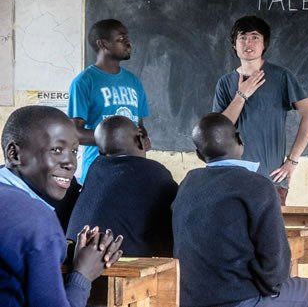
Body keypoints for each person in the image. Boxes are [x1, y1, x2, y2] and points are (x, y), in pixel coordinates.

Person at [172, 113, 308, 307]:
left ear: (199, 155)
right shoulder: (258, 184)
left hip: (190, 299)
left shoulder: (188, 182)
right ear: (240, 139)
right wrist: (270, 288)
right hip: (238, 299)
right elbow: (275, 262)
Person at [0, 105, 123, 307]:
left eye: (74, 151)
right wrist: (83, 274)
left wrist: (61, 248)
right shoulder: (37, 219)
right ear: (14, 154)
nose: (70, 163)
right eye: (57, 150)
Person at [212, 15, 308, 205]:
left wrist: (292, 161)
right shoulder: (225, 83)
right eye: (242, 37)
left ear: (264, 44)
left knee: (271, 234)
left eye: (254, 37)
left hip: (271, 179)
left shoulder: (281, 76)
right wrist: (241, 95)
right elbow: (219, 129)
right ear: (234, 45)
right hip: (233, 178)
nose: (248, 43)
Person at [67, 115, 178, 257]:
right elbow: (177, 217)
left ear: (101, 152)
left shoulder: (95, 168)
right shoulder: (154, 172)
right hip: (119, 268)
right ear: (139, 140)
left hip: (73, 263)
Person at [68, 19, 149, 183]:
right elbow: (75, 133)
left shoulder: (134, 81)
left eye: (127, 38)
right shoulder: (84, 82)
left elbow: (139, 124)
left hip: (133, 169)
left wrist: (143, 138)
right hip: (99, 171)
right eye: (121, 39)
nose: (128, 43)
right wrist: (119, 140)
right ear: (103, 44)